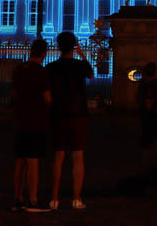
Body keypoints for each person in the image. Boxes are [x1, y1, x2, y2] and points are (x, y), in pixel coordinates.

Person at [46, 32, 93, 211]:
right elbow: (91, 74)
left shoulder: (51, 67)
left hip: (58, 114)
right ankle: (76, 199)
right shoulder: (79, 66)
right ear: (73, 46)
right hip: (78, 114)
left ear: (58, 46)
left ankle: (54, 199)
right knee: (78, 157)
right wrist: (82, 54)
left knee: (58, 158)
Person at [11, 38, 52, 212]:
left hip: (21, 119)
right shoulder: (41, 72)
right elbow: (48, 98)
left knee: (20, 161)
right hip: (37, 120)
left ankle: (18, 198)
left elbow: (14, 95)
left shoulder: (19, 69)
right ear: (44, 54)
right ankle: (33, 200)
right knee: (33, 160)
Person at [137, 63, 157, 149]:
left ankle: (150, 143)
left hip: (152, 108)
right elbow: (140, 95)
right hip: (147, 107)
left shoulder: (155, 82)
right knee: (147, 126)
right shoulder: (145, 82)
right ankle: (147, 143)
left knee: (151, 126)